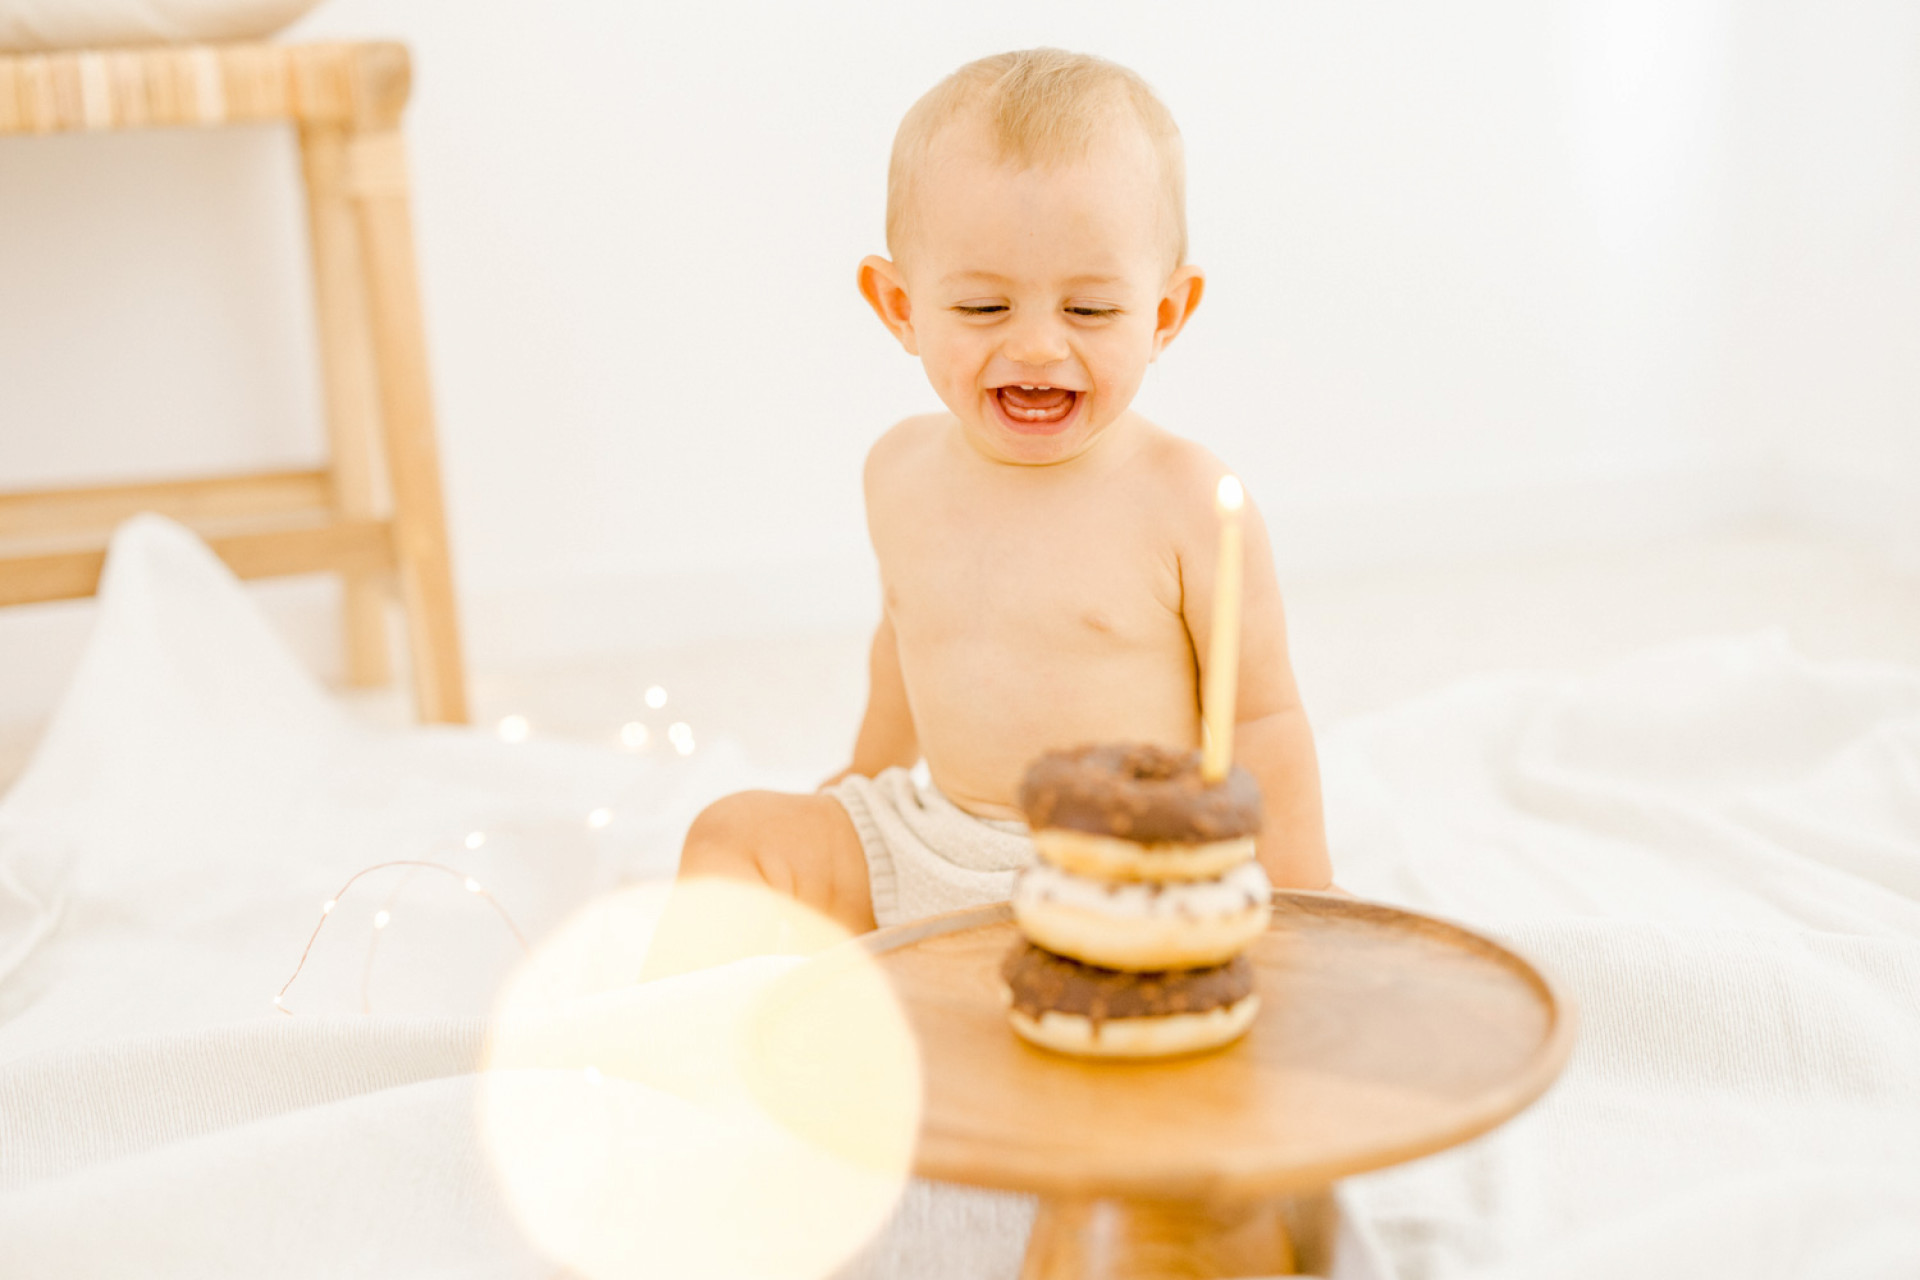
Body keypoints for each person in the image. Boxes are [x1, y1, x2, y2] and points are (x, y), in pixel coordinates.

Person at [673, 47, 1333, 943]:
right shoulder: (898, 470)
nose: (1033, 346)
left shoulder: (1186, 501)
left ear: (1166, 315)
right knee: (733, 835)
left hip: (1122, 862)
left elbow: (1262, 718)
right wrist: (865, 775)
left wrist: (1303, 909)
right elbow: (904, 640)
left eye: (1089, 311)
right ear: (899, 305)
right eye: (984, 308)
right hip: (932, 838)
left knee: (1113, 1002)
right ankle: (688, 1053)